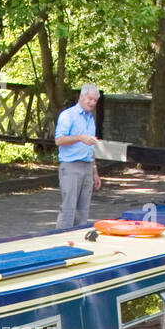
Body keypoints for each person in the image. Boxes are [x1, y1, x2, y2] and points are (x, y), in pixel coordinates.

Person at [54, 83, 101, 228]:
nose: (92, 102)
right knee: (69, 209)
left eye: (95, 100)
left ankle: (79, 241)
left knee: (83, 210)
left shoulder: (90, 119)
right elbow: (59, 140)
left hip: (87, 166)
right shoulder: (68, 115)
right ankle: (60, 242)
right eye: (90, 99)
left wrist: (95, 171)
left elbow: (91, 147)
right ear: (81, 96)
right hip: (71, 166)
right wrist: (80, 138)